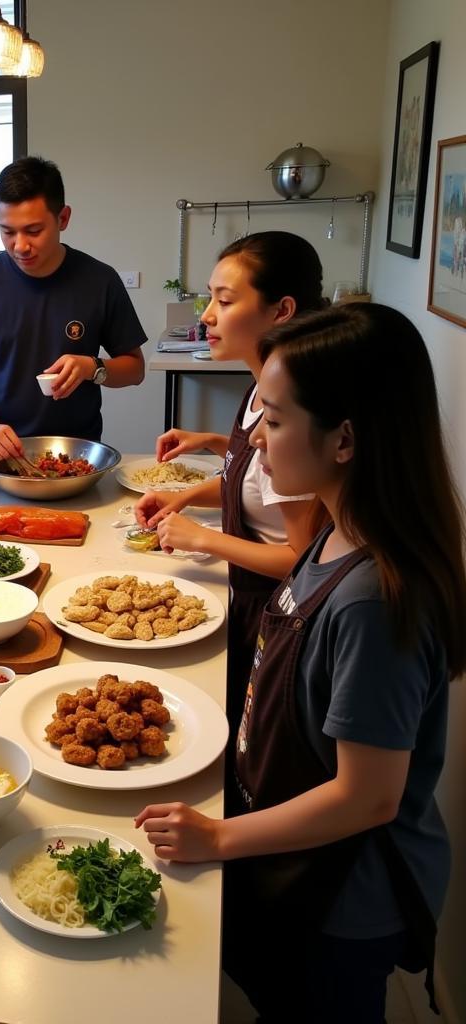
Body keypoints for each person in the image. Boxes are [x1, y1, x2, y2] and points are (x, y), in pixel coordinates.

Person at [135, 303, 462, 1022]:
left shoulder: (373, 600)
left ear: (344, 439)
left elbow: (367, 796)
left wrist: (219, 836)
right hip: (288, 855)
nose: (253, 437)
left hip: (342, 899)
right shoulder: (332, 536)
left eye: (275, 421)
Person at [135, 231, 327, 746]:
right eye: (209, 299)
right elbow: (250, 477)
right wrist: (187, 491)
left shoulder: (292, 408)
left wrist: (203, 538)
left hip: (272, 611)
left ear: (281, 309)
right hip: (243, 596)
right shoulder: (260, 388)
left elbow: (303, 560)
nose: (206, 316)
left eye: (224, 300)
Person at [0, 156, 146, 460]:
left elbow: (135, 368)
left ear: (63, 218)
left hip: (76, 456)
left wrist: (93, 367)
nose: (20, 245)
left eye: (33, 230)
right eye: (8, 231)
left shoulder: (100, 280)